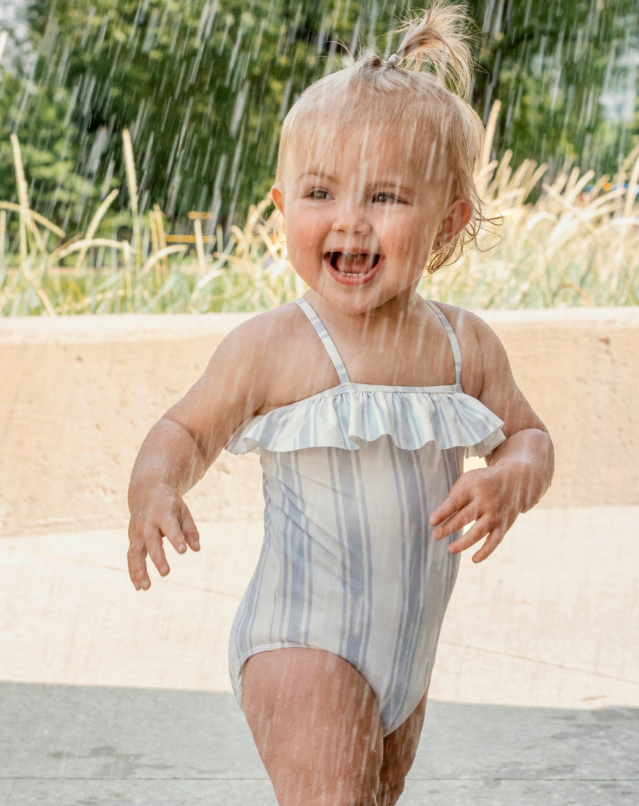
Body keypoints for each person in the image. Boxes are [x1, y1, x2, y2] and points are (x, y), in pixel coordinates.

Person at [127, 3, 554, 804]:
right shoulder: (275, 346)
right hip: (300, 645)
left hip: (406, 657)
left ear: (447, 225)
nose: (350, 221)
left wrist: (511, 480)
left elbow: (529, 436)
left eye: (386, 197)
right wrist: (155, 485)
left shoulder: (463, 347)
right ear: (285, 209)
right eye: (322, 192)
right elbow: (184, 427)